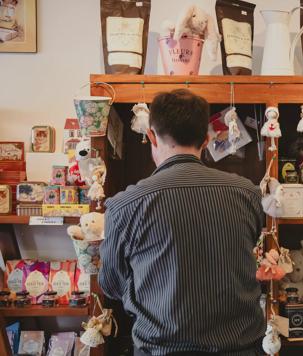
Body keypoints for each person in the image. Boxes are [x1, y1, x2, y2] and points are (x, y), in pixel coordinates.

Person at [99, 89, 266, 356]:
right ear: (207, 138)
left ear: (151, 135)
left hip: (160, 349)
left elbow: (111, 284)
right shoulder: (248, 194)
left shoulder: (124, 206)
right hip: (241, 349)